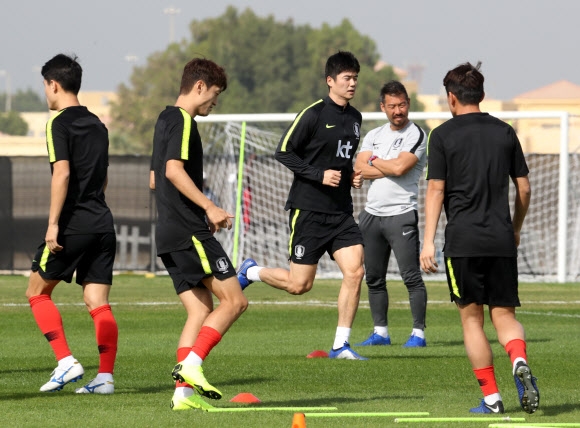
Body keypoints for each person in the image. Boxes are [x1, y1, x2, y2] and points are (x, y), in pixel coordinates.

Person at [419, 62, 539, 414]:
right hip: (501, 239)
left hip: (463, 242)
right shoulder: (504, 132)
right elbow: (525, 188)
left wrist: (427, 241)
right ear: (482, 95)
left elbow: (435, 191)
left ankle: (492, 398)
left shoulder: (441, 136)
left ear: (451, 98)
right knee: (505, 315)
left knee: (472, 321)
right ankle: (517, 358)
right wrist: (515, 227)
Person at [237, 51, 367, 360]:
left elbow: (342, 160)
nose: (352, 84)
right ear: (330, 81)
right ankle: (251, 271)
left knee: (355, 271)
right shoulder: (313, 113)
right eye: (347, 78)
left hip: (341, 213)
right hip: (308, 210)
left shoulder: (356, 118)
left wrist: (351, 177)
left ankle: (341, 345)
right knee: (299, 285)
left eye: (355, 79)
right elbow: (284, 151)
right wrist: (318, 175)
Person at [149, 58, 248, 411]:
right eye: (215, 95)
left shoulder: (163, 120)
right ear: (200, 86)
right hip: (188, 230)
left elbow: (155, 178)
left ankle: (182, 397)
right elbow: (174, 171)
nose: (214, 104)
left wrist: (190, 211)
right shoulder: (184, 121)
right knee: (235, 300)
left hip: (168, 231)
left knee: (199, 310)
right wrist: (208, 207)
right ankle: (192, 367)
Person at [25, 53, 118, 394]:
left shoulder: (58, 123)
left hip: (73, 225)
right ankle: (105, 377)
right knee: (98, 301)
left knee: (36, 291)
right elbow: (103, 177)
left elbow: (61, 172)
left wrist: (53, 224)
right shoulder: (98, 124)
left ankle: (66, 361)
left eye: (45, 87)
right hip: (103, 224)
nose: (46, 93)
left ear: (54, 84)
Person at [353, 80, 428, 348]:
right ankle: (381, 333)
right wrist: (383, 164)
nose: (399, 111)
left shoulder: (416, 135)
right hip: (371, 215)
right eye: (393, 106)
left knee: (411, 277)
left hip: (402, 214)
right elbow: (359, 169)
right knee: (373, 277)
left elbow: (401, 169)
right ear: (383, 107)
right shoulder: (373, 135)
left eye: (403, 105)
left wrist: (374, 162)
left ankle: (418, 334)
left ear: (408, 104)